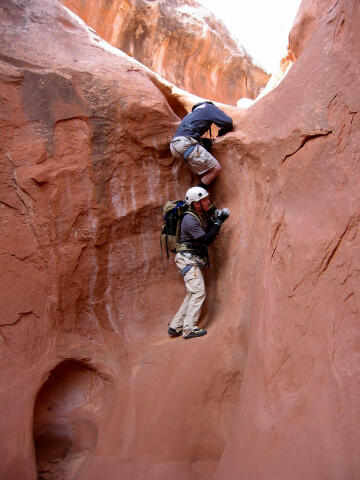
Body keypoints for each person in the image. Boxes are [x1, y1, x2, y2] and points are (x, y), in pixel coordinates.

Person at [168, 186, 230, 339]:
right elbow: (206, 240)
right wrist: (219, 222)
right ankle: (189, 329)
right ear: (196, 204)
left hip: (190, 259)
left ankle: (176, 326)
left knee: (192, 293)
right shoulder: (189, 220)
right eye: (205, 200)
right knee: (198, 292)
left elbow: (207, 230)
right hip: (187, 259)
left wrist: (216, 218)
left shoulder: (200, 214)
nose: (209, 201)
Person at [170, 101, 233, 187]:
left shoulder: (190, 116)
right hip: (186, 143)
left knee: (206, 170)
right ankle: (195, 198)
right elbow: (228, 122)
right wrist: (221, 133)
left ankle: (199, 195)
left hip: (176, 145)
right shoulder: (208, 107)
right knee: (215, 168)